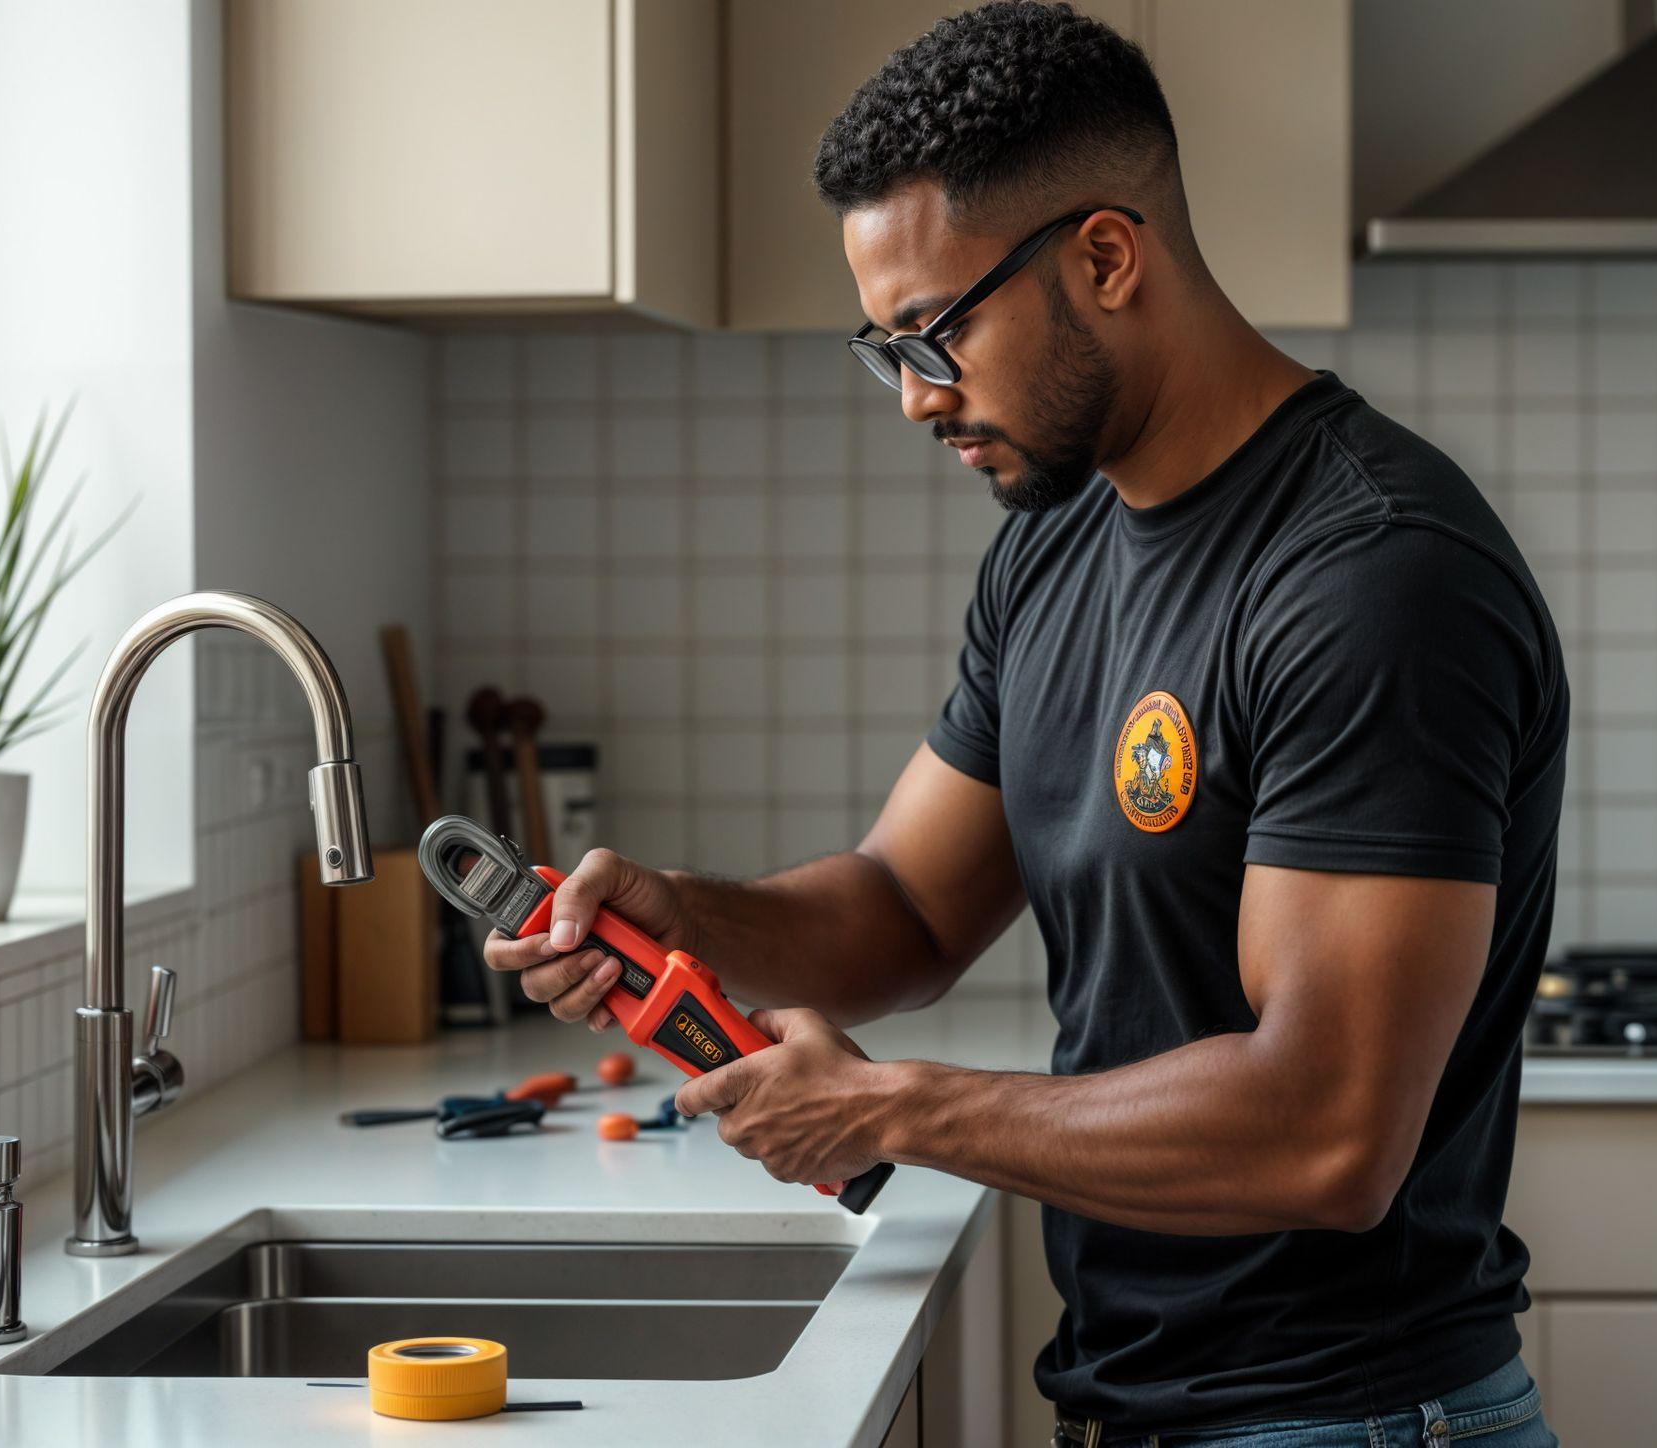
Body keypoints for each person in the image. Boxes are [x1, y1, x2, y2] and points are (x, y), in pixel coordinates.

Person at [488, 5, 1567, 1444]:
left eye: (934, 334)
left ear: (1107, 258)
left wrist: (892, 1111)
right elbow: (906, 912)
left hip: (1347, 1421)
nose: (917, 399)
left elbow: (1328, 1131)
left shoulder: (1374, 577)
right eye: (885, 350)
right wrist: (672, 915)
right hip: (1142, 1405)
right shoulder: (1055, 547)